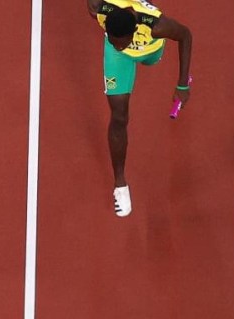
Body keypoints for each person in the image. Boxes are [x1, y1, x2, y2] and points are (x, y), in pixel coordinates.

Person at [85, 0, 193, 217]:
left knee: (150, 59)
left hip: (151, 51)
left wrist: (182, 85)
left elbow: (185, 35)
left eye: (121, 43)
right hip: (121, 60)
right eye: (113, 41)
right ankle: (120, 185)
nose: (118, 45)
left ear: (133, 31)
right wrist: (117, 47)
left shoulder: (156, 26)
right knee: (119, 116)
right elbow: (116, 41)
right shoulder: (97, 9)